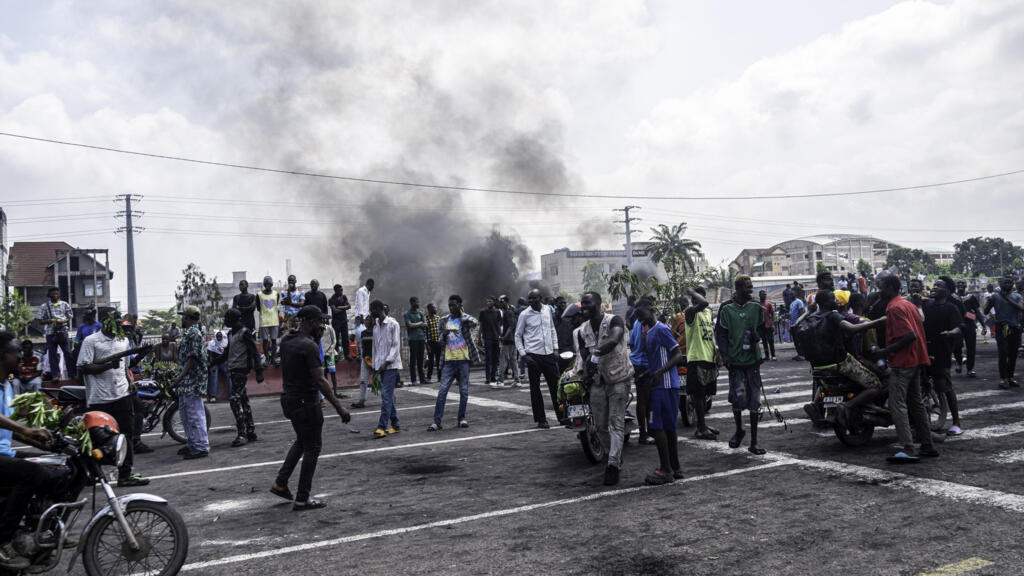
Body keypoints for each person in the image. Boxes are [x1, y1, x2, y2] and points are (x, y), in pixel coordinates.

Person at [271, 306, 351, 511]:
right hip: (306, 403)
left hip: (288, 401)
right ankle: (302, 497)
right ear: (311, 321)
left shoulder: (287, 340)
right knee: (313, 447)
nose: (323, 326)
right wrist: (339, 407)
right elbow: (321, 381)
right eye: (320, 322)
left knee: (301, 441)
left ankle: (280, 483)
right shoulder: (309, 346)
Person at [0, 330, 59, 570]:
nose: (21, 357)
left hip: (5, 452)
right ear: (4, 356)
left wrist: (40, 440)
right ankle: (3, 541)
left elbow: (11, 426)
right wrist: (28, 432)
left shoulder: (7, 385)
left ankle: (40, 532)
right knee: (31, 473)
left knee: (54, 466)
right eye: (16, 353)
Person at [77, 308, 151, 486]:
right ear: (103, 320)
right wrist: (108, 365)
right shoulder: (91, 341)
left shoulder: (123, 340)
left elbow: (125, 365)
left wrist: (139, 357)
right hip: (99, 399)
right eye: (115, 318)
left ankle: (125, 474)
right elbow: (84, 367)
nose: (119, 321)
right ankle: (93, 474)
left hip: (122, 394)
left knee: (126, 435)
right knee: (96, 439)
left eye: (120, 318)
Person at [872, 272, 938, 462]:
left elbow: (909, 336)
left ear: (891, 288)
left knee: (897, 403)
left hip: (903, 361)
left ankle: (908, 448)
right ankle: (927, 444)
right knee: (915, 403)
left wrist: (884, 352)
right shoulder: (908, 304)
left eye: (881, 287)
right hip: (916, 359)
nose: (879, 291)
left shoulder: (895, 308)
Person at [793, 289, 886, 424]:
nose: (835, 301)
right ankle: (847, 406)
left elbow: (796, 325)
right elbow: (851, 329)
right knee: (876, 385)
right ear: (825, 302)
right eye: (832, 298)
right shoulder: (833, 316)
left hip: (818, 367)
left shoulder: (811, 318)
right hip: (840, 363)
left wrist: (809, 311)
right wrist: (877, 322)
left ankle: (815, 403)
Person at [577, 291, 633, 485]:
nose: (584, 307)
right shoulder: (582, 330)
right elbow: (584, 354)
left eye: (588, 303)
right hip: (598, 381)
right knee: (599, 427)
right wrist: (583, 373)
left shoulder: (614, 320)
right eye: (582, 303)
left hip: (619, 378)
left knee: (615, 423)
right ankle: (614, 456)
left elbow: (614, 339)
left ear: (600, 304)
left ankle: (612, 465)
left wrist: (595, 355)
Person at [635, 298, 687, 485]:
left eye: (641, 315)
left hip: (664, 385)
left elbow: (677, 354)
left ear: (651, 309)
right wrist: (648, 373)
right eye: (637, 317)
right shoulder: (649, 332)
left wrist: (659, 372)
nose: (640, 320)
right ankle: (675, 467)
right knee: (668, 428)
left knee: (656, 428)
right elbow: (659, 360)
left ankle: (666, 470)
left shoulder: (661, 329)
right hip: (662, 384)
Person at [714, 275, 767, 455]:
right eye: (747, 287)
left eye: (751, 286)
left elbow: (763, 328)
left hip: (752, 361)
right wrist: (725, 356)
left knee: (754, 400)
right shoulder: (726, 308)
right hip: (735, 362)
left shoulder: (756, 307)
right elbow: (720, 334)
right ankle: (739, 430)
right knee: (737, 398)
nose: (750, 290)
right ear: (738, 288)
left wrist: (757, 336)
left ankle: (754, 441)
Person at [429, 295, 478, 431]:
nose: (451, 307)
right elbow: (440, 341)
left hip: (463, 360)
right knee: (442, 391)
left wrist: (462, 314)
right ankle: (437, 421)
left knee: (464, 391)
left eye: (454, 305)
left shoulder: (464, 319)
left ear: (459, 305)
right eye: (450, 305)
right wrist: (443, 335)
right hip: (449, 361)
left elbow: (475, 322)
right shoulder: (445, 320)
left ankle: (461, 419)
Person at [515, 289, 562, 429]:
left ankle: (562, 417)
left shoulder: (547, 310)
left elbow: (552, 329)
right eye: (529, 299)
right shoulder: (524, 314)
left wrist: (556, 348)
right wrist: (524, 355)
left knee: (556, 388)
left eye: (534, 298)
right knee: (535, 389)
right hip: (533, 356)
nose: (531, 301)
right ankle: (541, 420)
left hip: (549, 354)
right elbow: (518, 335)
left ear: (540, 298)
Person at [923, 282, 964, 436]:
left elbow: (960, 326)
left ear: (947, 291)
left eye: (939, 286)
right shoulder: (927, 305)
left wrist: (950, 333)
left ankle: (956, 422)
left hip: (941, 351)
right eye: (933, 285)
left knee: (944, 386)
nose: (934, 288)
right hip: (924, 350)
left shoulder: (951, 308)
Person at [223, 308, 264, 447]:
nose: (224, 321)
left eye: (226, 318)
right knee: (243, 400)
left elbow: (255, 352)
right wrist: (211, 362)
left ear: (233, 319)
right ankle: (251, 431)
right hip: (234, 371)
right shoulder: (230, 333)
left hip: (242, 370)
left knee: (234, 399)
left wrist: (259, 371)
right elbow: (226, 353)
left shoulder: (245, 332)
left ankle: (242, 433)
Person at [173, 306, 210, 459]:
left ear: (188, 318)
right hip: (186, 382)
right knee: (186, 415)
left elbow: (192, 359)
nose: (182, 319)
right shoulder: (189, 333)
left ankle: (201, 446)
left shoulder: (194, 334)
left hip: (192, 381)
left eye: (183, 317)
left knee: (195, 415)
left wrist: (179, 378)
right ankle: (193, 443)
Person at [684, 287, 719, 440]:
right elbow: (704, 302)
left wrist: (717, 353)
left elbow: (711, 334)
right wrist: (692, 293)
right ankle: (701, 428)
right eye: (696, 298)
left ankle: (702, 424)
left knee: (705, 394)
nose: (700, 300)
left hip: (708, 358)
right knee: (698, 395)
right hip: (696, 358)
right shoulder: (690, 312)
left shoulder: (708, 313)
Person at [370, 300, 403, 438]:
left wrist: (386, 362)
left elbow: (396, 346)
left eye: (372, 310)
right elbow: (375, 349)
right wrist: (374, 366)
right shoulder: (376, 327)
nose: (371, 314)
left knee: (385, 396)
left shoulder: (393, 324)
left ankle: (381, 426)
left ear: (378, 309)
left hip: (391, 366)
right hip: (380, 367)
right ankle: (395, 424)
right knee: (387, 396)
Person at [985, 276, 1023, 389]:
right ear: (1001, 285)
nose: (1008, 284)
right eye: (1005, 282)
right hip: (1002, 327)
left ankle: (1010, 377)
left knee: (1013, 354)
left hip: (1015, 327)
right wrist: (989, 303)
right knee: (1003, 353)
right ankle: (1003, 378)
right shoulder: (995, 296)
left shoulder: (1017, 296)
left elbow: (1021, 307)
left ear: (1013, 285)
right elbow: (985, 310)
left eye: (1010, 282)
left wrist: (1007, 298)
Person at [35, 286, 74, 380]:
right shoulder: (44, 306)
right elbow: (39, 320)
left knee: (68, 353)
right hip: (50, 333)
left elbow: (70, 316)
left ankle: (72, 374)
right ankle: (55, 375)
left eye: (56, 293)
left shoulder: (64, 304)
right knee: (52, 354)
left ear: (59, 294)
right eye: (53, 294)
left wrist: (62, 320)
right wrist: (50, 321)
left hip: (63, 331)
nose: (55, 295)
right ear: (49, 295)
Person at [628, 310, 652, 445]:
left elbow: (631, 344)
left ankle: (647, 432)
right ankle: (644, 434)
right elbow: (646, 341)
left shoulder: (637, 322)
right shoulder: (644, 324)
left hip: (637, 363)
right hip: (644, 364)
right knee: (645, 402)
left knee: (644, 401)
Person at [955, 279, 983, 377]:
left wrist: (983, 324)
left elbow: (976, 312)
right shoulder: (952, 297)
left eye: (963, 283)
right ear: (956, 285)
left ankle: (970, 369)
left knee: (971, 348)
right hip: (957, 325)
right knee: (957, 346)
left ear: (966, 285)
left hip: (969, 325)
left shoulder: (971, 297)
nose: (961, 284)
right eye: (959, 283)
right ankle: (959, 362)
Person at [351, 315, 374, 408]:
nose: (367, 321)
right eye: (366, 320)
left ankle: (390, 397)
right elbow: (360, 345)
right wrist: (361, 356)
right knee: (363, 380)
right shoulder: (363, 333)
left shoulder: (376, 332)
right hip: (365, 359)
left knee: (382, 380)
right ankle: (362, 400)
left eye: (369, 320)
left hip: (375, 359)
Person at [257, 276, 281, 367]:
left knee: (274, 340)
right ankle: (267, 358)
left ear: (271, 284)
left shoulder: (276, 294)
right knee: (265, 340)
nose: (268, 285)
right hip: (264, 320)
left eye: (269, 284)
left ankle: (273, 358)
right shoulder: (259, 295)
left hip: (274, 320)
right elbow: (259, 308)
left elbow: (276, 305)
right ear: (264, 284)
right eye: (266, 284)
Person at [404, 297, 427, 386]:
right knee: (413, 360)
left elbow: (425, 324)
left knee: (421, 360)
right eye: (416, 302)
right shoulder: (407, 314)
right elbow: (409, 325)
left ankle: (422, 379)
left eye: (418, 301)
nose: (418, 303)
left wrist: (417, 324)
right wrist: (420, 323)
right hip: (413, 339)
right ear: (411, 303)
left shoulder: (420, 313)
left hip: (421, 338)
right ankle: (413, 380)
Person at [479, 296, 502, 387]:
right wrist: (479, 337)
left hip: (496, 337)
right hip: (487, 337)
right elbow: (480, 325)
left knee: (495, 358)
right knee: (488, 358)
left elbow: (499, 326)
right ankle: (488, 378)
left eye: (490, 301)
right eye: (487, 301)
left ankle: (493, 377)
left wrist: (501, 336)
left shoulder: (497, 312)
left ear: (494, 302)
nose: (488, 303)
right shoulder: (483, 312)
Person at [72, 308, 102, 372]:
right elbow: (76, 339)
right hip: (84, 350)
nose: (85, 317)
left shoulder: (99, 325)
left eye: (87, 316)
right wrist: (76, 343)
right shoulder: (81, 327)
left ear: (92, 316)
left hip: (96, 351)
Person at [329, 284, 352, 361]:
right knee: (335, 339)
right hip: (336, 322)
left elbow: (349, 306)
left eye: (342, 290)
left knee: (345, 339)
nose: (342, 291)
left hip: (344, 321)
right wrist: (344, 308)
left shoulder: (344, 297)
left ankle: (347, 354)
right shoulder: (331, 299)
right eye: (340, 290)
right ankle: (336, 355)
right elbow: (334, 311)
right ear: (336, 291)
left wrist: (339, 307)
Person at [206, 330, 228, 404]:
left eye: (220, 336)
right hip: (214, 362)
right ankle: (212, 396)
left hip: (223, 362)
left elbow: (226, 355)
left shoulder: (225, 342)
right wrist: (212, 365)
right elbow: (210, 355)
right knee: (214, 375)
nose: (219, 337)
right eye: (218, 336)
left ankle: (232, 394)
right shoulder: (212, 343)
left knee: (228, 374)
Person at [425, 303, 444, 383]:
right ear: (429, 309)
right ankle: (429, 377)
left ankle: (440, 377)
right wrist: (427, 345)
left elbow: (441, 330)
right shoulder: (426, 319)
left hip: (438, 342)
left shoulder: (438, 318)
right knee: (431, 361)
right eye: (434, 308)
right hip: (430, 343)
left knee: (439, 360)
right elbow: (425, 333)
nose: (436, 309)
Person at [320, 317, 339, 394]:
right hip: (321, 355)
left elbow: (334, 341)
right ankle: (328, 392)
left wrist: (329, 352)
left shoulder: (329, 328)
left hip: (330, 354)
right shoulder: (317, 329)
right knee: (324, 374)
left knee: (332, 373)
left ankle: (335, 392)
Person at [789, 287, 806, 361]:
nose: (791, 295)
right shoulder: (791, 303)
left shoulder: (799, 302)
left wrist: (800, 322)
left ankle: (802, 355)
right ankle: (799, 354)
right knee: (795, 341)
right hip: (792, 324)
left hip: (797, 324)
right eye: (790, 294)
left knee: (799, 340)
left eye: (792, 294)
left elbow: (802, 312)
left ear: (795, 294)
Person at [758, 290, 777, 361]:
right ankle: (767, 356)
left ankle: (773, 355)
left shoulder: (769, 304)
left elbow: (773, 315)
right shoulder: (757, 304)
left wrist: (773, 324)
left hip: (768, 325)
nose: (764, 296)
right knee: (764, 341)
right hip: (761, 326)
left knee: (771, 341)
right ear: (760, 295)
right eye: (763, 294)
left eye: (765, 294)